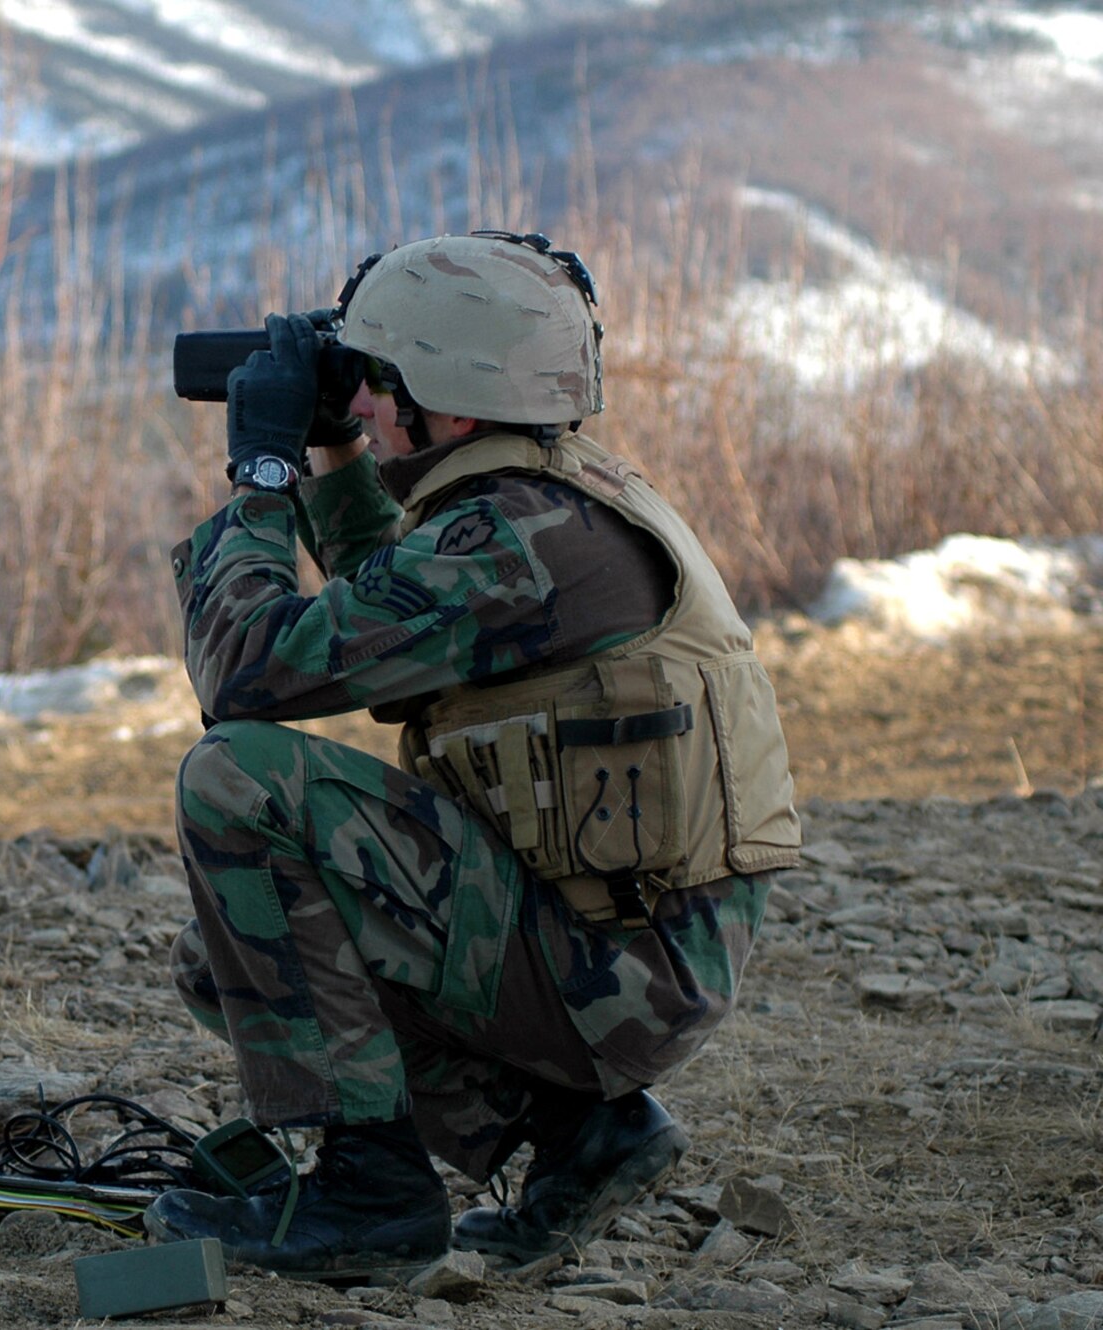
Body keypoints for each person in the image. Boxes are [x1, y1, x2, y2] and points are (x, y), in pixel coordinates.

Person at [144, 231, 801, 1282]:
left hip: (616, 976)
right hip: (622, 951)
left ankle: (370, 1198)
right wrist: (340, 454)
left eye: (374, 382)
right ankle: (580, 1139)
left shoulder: (516, 538)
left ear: (444, 400)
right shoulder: (545, 496)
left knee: (236, 778)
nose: (357, 398)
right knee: (233, 957)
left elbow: (246, 674)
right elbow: (401, 654)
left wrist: (261, 470)